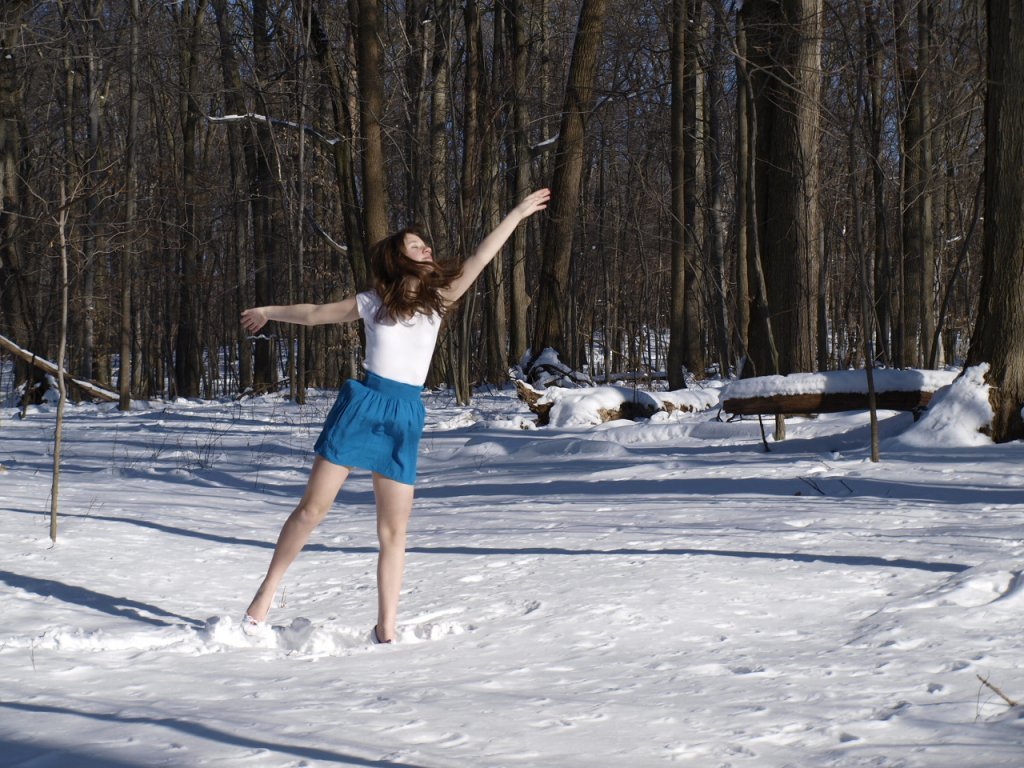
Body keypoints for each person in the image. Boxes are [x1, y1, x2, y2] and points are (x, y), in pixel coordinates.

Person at [240, 188, 551, 644]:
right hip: (364, 404)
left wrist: (518, 213)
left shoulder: (439, 300)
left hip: (406, 414)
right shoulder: (371, 303)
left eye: (426, 244)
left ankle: (386, 626)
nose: (427, 249)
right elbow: (313, 313)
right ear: (399, 258)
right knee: (311, 510)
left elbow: (482, 257)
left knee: (394, 530)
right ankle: (262, 600)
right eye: (416, 245)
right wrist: (268, 311)